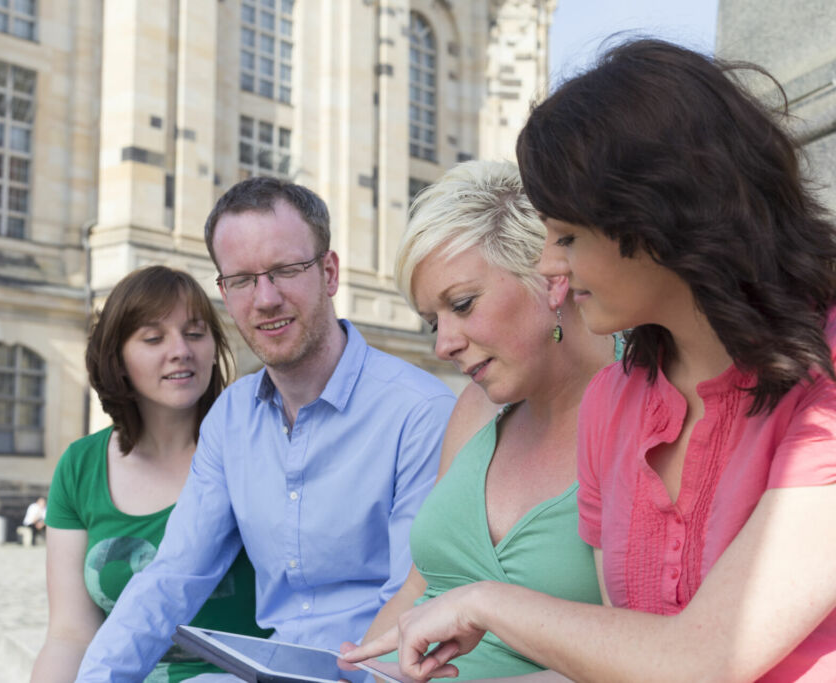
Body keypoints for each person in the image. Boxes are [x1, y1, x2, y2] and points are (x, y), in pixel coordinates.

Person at [345, 39, 836, 681]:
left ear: (657, 218)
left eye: (568, 236)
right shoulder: (615, 401)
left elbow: (707, 660)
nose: (550, 266)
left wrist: (487, 604)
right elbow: (624, 657)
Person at [75, 178, 456, 681]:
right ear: (224, 294)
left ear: (329, 272)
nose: (265, 298)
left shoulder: (419, 412)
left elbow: (413, 602)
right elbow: (171, 579)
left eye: (285, 270)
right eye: (242, 280)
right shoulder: (229, 419)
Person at [352, 160, 617, 679]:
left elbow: (649, 654)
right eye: (433, 321)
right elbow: (417, 588)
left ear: (549, 279)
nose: (442, 344)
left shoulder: (643, 399)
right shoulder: (479, 404)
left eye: (463, 304)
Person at [33, 265, 272, 682]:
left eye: (195, 333)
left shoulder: (257, 447)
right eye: (153, 338)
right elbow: (71, 634)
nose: (180, 350)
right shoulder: (80, 466)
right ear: (118, 358)